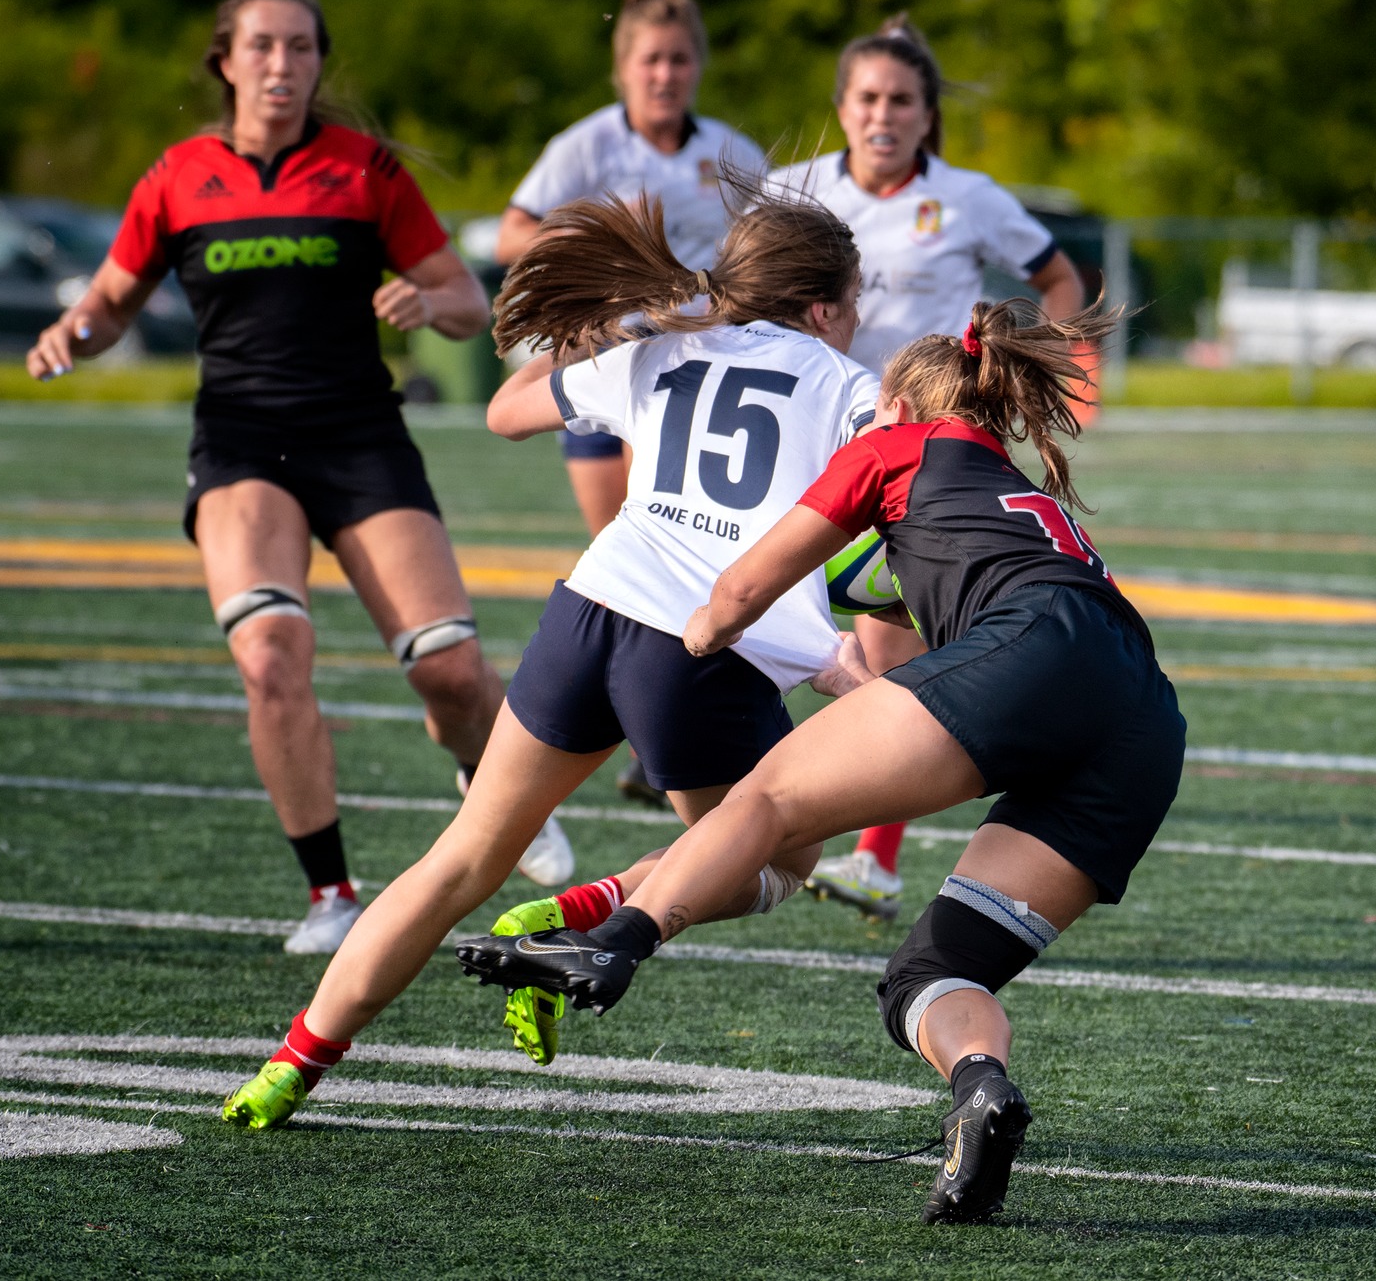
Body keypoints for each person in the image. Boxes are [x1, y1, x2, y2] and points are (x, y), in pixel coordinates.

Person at [455, 297, 1186, 1225]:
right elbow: (901, 621)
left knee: (765, 798)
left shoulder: (890, 447)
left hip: (1031, 651)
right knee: (931, 972)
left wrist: (686, 640)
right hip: (1142, 719)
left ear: (898, 404)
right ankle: (981, 1087)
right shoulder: (1007, 485)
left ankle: (619, 941)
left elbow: (741, 591)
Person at [220, 185, 881, 1129]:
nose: (859, 322)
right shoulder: (845, 384)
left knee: (459, 859)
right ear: (820, 307)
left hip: (588, 615)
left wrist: (630, 326)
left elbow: (506, 410)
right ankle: (574, 914)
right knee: (775, 862)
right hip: (695, 656)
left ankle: (291, 1061)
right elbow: (899, 487)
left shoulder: (661, 352)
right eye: (856, 301)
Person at [24, 0, 571, 955]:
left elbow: (459, 299)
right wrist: (76, 332)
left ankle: (483, 780)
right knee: (271, 656)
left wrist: (423, 299)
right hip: (240, 444)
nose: (282, 65)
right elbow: (111, 300)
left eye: (301, 48)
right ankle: (331, 894)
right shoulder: (179, 177)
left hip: (360, 437)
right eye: (263, 47)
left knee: (449, 669)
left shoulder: (365, 171)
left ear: (319, 64)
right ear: (225, 62)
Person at [771, 14, 1088, 922]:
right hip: (820, 429)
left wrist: (1031, 368)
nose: (883, 114)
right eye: (867, 98)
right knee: (836, 617)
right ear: (841, 107)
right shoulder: (795, 187)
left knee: (891, 625)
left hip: (930, 441)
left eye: (901, 99)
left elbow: (1060, 279)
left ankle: (869, 846)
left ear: (926, 113)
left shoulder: (969, 197)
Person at [496, 0, 768, 809]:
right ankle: (645, 720)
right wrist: (593, 257)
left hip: (694, 371)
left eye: (679, 59)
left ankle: (667, 734)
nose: (665, 75)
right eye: (651, 59)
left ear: (697, 67)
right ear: (624, 69)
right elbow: (513, 229)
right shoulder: (586, 147)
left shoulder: (731, 151)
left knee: (681, 540)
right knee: (623, 546)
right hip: (603, 361)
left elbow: (770, 247)